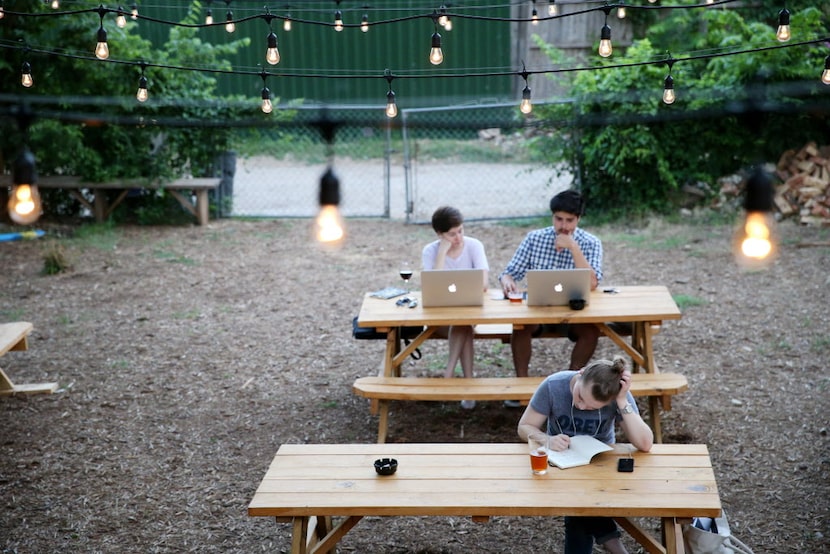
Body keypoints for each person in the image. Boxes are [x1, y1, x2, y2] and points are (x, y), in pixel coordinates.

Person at [517, 356, 653, 554]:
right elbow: (524, 426)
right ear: (580, 374)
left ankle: (613, 545)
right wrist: (546, 439)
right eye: (580, 397)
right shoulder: (553, 385)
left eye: (591, 408)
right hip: (561, 462)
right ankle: (614, 546)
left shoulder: (617, 395)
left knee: (579, 508)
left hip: (600, 464)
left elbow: (645, 443)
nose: (581, 406)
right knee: (579, 501)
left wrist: (622, 400)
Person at [499, 189, 602, 380]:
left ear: (578, 219)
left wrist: (573, 247)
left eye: (569, 220)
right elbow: (509, 273)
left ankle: (571, 381)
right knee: (520, 327)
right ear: (552, 217)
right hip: (538, 310)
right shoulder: (535, 238)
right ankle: (521, 384)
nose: (563, 225)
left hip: (574, 313)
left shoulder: (590, 242)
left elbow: (592, 284)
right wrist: (508, 282)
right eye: (558, 219)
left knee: (591, 331)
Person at [422, 206, 489, 410]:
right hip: (440, 317)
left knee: (463, 322)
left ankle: (448, 375)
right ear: (439, 234)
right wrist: (442, 252)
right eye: (452, 234)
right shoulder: (430, 251)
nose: (458, 237)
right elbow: (432, 288)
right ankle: (467, 386)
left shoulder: (474, 245)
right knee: (464, 326)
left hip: (470, 312)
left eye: (460, 230)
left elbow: (483, 283)